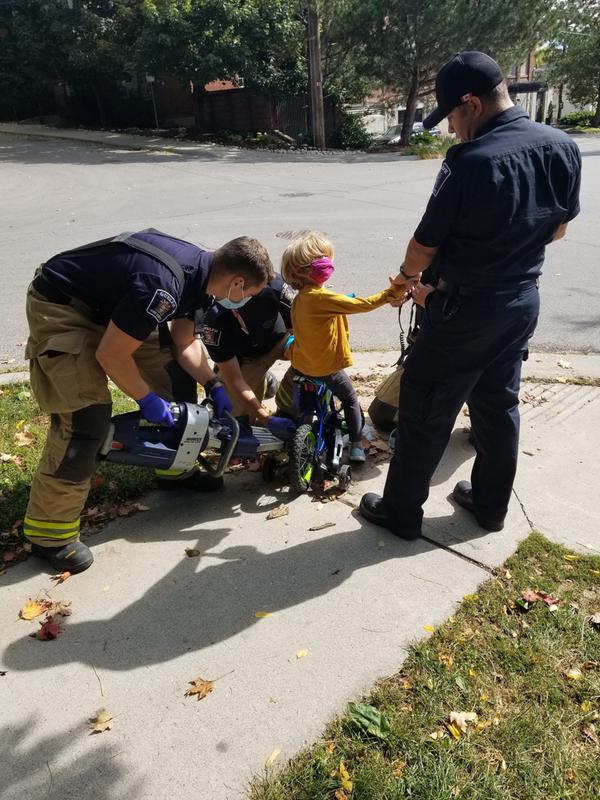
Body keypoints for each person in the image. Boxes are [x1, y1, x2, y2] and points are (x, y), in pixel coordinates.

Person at [359, 51, 581, 538]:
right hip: (522, 301)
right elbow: (558, 230)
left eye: (452, 117)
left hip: (464, 311)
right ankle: (489, 506)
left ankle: (400, 512)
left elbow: (423, 246)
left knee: (424, 408)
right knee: (498, 406)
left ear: (471, 103)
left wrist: (403, 279)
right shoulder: (562, 146)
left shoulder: (469, 161)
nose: (452, 129)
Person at [23, 229, 274, 573]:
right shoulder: (162, 287)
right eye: (251, 294)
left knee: (175, 378)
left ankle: (173, 471)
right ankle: (49, 535)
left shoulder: (204, 278)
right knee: (86, 419)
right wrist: (147, 399)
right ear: (237, 282)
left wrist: (213, 383)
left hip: (116, 309)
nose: (246, 301)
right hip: (65, 306)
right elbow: (111, 355)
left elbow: (185, 344)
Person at [281, 231, 402, 462]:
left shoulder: (301, 298)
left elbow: (319, 314)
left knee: (305, 408)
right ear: (304, 269)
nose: (329, 263)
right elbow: (364, 304)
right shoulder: (322, 298)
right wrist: (393, 292)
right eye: (324, 260)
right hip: (326, 369)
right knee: (350, 400)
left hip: (301, 365)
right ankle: (356, 445)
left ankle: (300, 440)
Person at [196, 273, 298, 438]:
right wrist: (266, 419)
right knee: (236, 424)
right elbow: (235, 379)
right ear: (236, 313)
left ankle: (289, 410)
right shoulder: (215, 323)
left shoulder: (278, 289)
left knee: (309, 360)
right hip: (244, 357)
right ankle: (260, 379)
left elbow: (309, 328)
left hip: (280, 339)